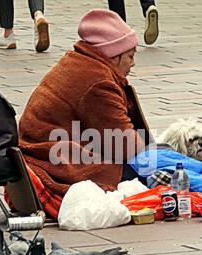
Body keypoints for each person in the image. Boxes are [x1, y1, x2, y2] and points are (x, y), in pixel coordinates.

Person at [18, 9, 147, 199]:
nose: (133, 63)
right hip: (58, 164)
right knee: (158, 169)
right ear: (114, 55)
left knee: (161, 157)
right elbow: (125, 145)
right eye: (130, 56)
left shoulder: (79, 61)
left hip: (45, 152)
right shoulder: (99, 82)